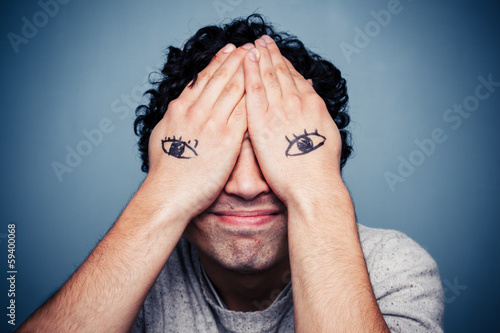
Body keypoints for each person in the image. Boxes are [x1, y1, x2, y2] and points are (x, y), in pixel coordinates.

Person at [18, 14, 444, 332]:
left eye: (270, 150)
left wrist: (316, 191)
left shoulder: (392, 266)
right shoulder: (130, 275)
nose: (245, 186)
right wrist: (163, 196)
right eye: (219, 155)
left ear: (322, 161)